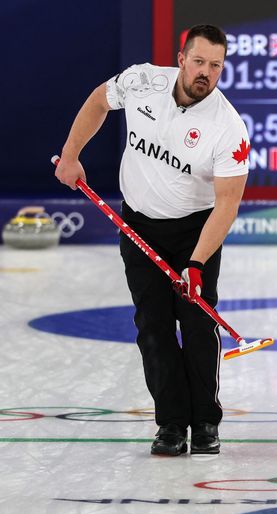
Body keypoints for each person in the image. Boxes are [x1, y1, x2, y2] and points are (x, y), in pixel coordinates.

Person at [54, 24, 250, 457]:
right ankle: (171, 424)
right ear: (181, 59)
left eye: (215, 66)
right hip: (138, 227)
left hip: (195, 234)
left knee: (198, 325)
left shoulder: (228, 127)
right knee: (153, 327)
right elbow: (97, 102)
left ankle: (204, 424)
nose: (206, 72)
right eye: (198, 61)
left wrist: (196, 264)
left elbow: (227, 203)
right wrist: (71, 156)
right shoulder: (144, 81)